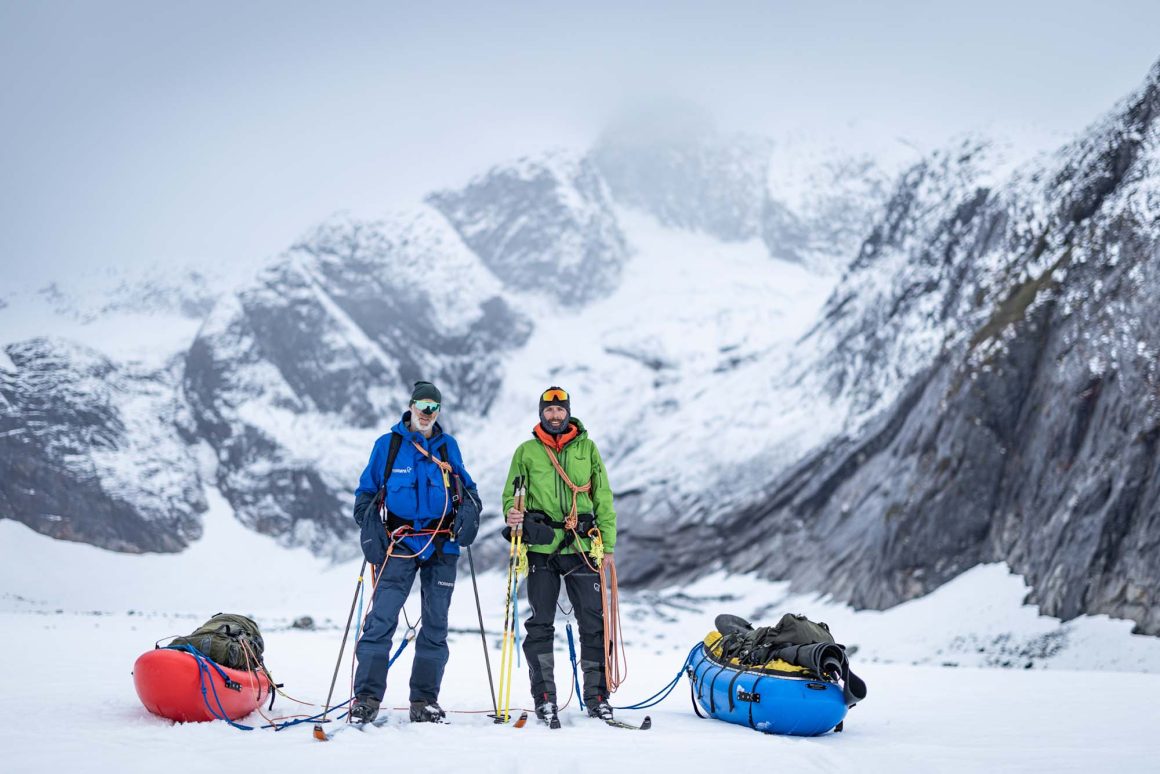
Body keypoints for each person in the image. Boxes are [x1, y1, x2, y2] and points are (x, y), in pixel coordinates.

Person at [350, 381, 481, 724]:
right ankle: (366, 698)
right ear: (410, 406)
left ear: (439, 411)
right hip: (400, 543)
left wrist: (470, 513)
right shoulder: (388, 446)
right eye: (422, 405)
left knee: (435, 625)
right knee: (381, 620)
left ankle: (424, 701)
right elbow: (365, 495)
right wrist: (370, 527)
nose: (427, 412)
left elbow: (468, 491)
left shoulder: (448, 447)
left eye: (433, 407)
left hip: (442, 545)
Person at [502, 386, 617, 726]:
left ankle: (597, 697)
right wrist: (512, 512)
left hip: (583, 546)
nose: (555, 415)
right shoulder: (526, 452)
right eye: (549, 410)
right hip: (541, 548)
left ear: (568, 412)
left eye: (560, 409)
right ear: (541, 412)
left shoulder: (588, 449)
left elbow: (604, 498)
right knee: (540, 625)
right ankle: (545, 697)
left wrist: (607, 545)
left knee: (594, 625)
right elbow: (511, 494)